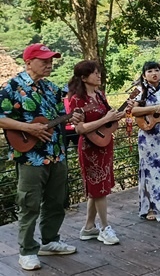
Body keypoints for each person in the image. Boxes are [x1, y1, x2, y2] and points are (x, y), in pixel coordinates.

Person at [0, 44, 82, 270]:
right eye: (44, 60)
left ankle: (50, 240)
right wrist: (27, 128)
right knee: (29, 203)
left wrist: (74, 115)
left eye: (51, 60)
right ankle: (26, 251)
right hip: (30, 157)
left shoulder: (51, 88)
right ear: (28, 62)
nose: (49, 64)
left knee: (57, 201)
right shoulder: (12, 88)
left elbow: (61, 116)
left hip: (56, 153)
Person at [68, 60, 128, 246]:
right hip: (89, 148)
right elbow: (78, 129)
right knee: (99, 189)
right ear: (84, 77)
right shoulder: (77, 99)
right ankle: (105, 227)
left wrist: (119, 114)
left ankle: (88, 227)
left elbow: (109, 118)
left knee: (98, 188)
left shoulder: (100, 95)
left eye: (99, 72)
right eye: (94, 73)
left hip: (104, 144)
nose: (99, 75)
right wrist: (106, 119)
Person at [131, 61, 160, 222]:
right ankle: (150, 207)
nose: (154, 73)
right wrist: (154, 109)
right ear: (144, 75)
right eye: (150, 71)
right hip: (148, 136)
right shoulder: (140, 90)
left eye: (157, 70)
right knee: (150, 171)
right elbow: (134, 110)